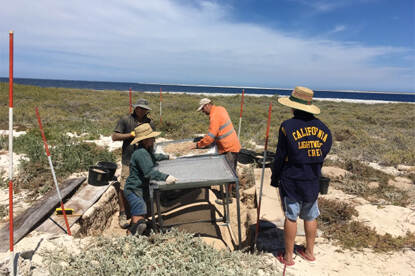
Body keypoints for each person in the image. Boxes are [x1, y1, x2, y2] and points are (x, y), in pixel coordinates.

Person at [270, 86, 332, 266]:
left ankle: (288, 257)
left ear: (293, 107)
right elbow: (324, 152)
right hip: (313, 178)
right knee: (311, 215)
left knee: (291, 216)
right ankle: (310, 253)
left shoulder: (287, 127)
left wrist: (275, 177)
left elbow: (280, 155)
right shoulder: (324, 129)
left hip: (292, 179)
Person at [124, 123, 177, 235]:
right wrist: (165, 177)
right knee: (139, 218)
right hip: (134, 190)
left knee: (141, 215)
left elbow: (153, 157)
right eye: (152, 138)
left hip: (138, 189)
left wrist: (166, 157)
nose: (154, 139)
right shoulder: (140, 153)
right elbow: (148, 172)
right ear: (145, 140)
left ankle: (140, 231)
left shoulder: (144, 150)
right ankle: (132, 236)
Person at [112, 98, 154, 229]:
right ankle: (123, 213)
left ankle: (143, 213)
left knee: (144, 186)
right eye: (139, 108)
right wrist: (130, 135)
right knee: (124, 187)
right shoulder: (126, 120)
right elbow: (114, 137)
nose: (141, 110)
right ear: (135, 108)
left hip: (144, 160)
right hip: (128, 160)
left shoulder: (149, 122)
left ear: (147, 110)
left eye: (144, 109)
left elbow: (152, 140)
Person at [191, 98, 241, 204]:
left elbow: (210, 137)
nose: (203, 112)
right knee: (232, 170)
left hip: (228, 147)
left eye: (203, 109)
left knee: (228, 172)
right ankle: (235, 193)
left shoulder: (214, 116)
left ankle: (228, 198)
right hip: (232, 144)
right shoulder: (220, 109)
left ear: (207, 105)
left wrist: (198, 145)